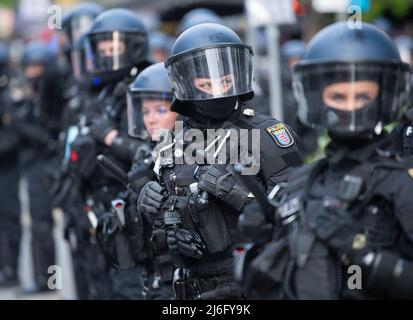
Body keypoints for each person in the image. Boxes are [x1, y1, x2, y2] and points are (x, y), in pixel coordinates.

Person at [241, 22, 413, 300]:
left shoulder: (402, 183)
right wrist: (263, 241)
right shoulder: (302, 181)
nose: (350, 108)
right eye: (337, 96)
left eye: (363, 97)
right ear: (316, 98)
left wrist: (360, 252)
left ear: (385, 97)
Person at [137, 23, 303, 299]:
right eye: (205, 84)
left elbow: (297, 217)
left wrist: (240, 194)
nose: (217, 91)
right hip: (189, 288)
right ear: (186, 84)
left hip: (250, 284)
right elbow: (152, 242)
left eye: (224, 81)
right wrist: (156, 219)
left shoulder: (265, 134)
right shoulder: (171, 144)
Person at [69, 8, 152, 299]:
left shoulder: (146, 87)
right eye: (101, 49)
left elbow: (152, 151)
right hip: (98, 205)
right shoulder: (100, 91)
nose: (107, 56)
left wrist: (111, 137)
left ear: (134, 47)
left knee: (128, 288)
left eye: (114, 48)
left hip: (131, 205)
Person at [96, 62, 178, 300]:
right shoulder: (145, 152)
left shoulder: (192, 154)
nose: (151, 119)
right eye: (145, 112)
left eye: (160, 111)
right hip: (148, 275)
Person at [12, 41, 65, 293]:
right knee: (38, 224)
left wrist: (21, 123)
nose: (33, 71)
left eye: (38, 66)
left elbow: (49, 134)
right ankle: (43, 279)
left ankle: (47, 281)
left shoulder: (52, 92)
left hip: (48, 166)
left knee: (44, 225)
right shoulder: (27, 94)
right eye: (30, 66)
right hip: (33, 167)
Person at [0, 42, 21, 288]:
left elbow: (13, 136)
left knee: (8, 220)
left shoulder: (9, 97)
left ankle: (10, 269)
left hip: (7, 168)